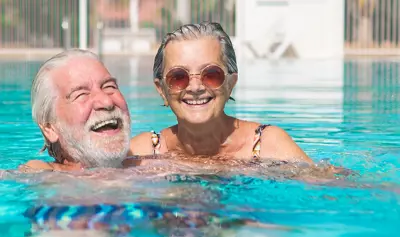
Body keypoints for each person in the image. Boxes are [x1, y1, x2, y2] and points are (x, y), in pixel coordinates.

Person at [129, 22, 313, 164]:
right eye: (178, 76)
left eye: (211, 74)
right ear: (162, 90)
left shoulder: (267, 144)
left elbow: (327, 185)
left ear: (230, 83)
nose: (195, 87)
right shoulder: (145, 151)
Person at [21, 49, 132, 172]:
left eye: (109, 86)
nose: (107, 102)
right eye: (81, 94)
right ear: (50, 128)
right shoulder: (43, 175)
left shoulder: (148, 161)